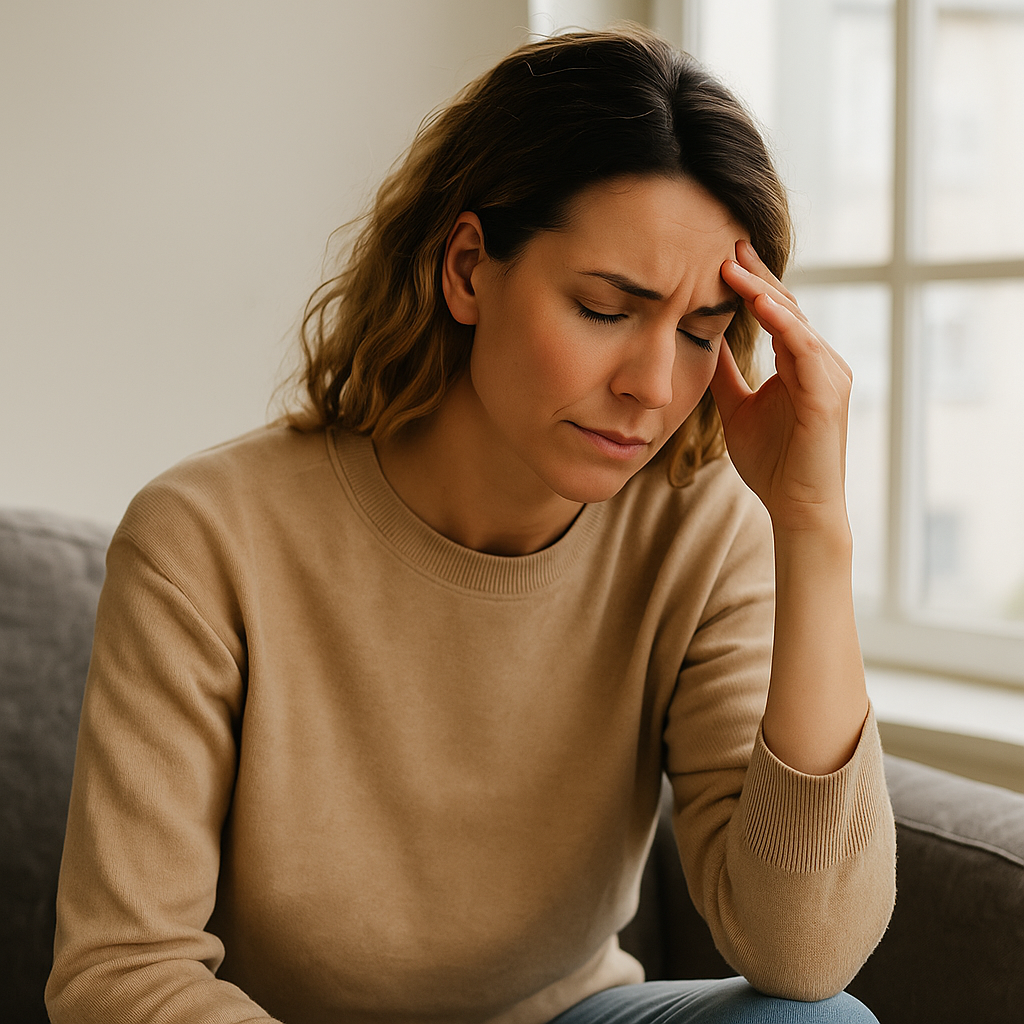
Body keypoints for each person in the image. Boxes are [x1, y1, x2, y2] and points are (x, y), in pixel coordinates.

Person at [46, 26, 896, 1024]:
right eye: (603, 308)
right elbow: (121, 971)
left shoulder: (695, 528)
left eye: (702, 333)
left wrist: (810, 528)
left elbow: (806, 953)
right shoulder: (204, 539)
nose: (652, 385)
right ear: (465, 270)